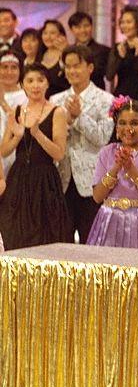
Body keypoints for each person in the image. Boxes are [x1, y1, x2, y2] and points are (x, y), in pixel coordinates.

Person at [0, 63, 68, 250]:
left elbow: (59, 153)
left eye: (40, 80)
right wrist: (18, 136)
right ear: (23, 85)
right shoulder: (17, 111)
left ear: (47, 84)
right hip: (18, 179)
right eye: (30, 81)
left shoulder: (57, 112)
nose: (35, 85)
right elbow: (3, 151)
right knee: (14, 234)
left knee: (46, 238)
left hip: (45, 180)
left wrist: (38, 134)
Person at [50, 45, 115, 243]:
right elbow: (53, 140)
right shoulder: (56, 100)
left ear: (90, 68)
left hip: (91, 181)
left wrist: (79, 118)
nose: (71, 71)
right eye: (67, 67)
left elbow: (102, 138)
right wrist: (65, 124)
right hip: (63, 178)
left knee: (92, 242)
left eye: (77, 66)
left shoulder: (106, 100)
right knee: (62, 243)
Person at [89, 97, 138, 248]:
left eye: (135, 123)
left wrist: (131, 169)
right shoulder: (107, 152)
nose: (128, 128)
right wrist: (117, 167)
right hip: (110, 219)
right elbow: (98, 197)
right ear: (116, 128)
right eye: (122, 123)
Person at [106, 5, 138, 111]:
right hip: (120, 98)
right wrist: (120, 57)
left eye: (129, 22)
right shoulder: (118, 47)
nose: (124, 25)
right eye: (122, 22)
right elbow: (109, 76)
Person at [68, 11, 110, 90]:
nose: (83, 30)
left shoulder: (103, 50)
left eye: (86, 26)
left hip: (96, 95)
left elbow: (99, 73)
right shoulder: (68, 51)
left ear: (91, 26)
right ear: (71, 30)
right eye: (78, 27)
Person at [0, 49, 27, 173]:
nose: (9, 72)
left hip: (15, 155)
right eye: (4, 67)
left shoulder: (27, 96)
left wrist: (3, 103)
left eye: (14, 67)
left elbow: (23, 125)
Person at [39, 19, 69, 97]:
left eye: (52, 33)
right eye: (45, 33)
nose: (48, 37)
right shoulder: (39, 54)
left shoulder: (68, 55)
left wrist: (65, 52)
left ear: (61, 36)